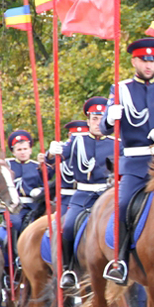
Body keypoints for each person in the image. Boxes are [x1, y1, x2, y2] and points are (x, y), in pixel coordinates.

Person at [101, 37, 154, 285]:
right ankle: (120, 261)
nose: (148, 65)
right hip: (135, 165)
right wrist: (110, 118)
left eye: (153, 60)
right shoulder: (120, 89)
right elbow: (103, 128)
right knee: (122, 205)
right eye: (144, 60)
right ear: (134, 60)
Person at [48, 99, 117, 290]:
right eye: (94, 118)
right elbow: (61, 155)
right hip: (83, 194)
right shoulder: (77, 140)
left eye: (101, 118)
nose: (97, 122)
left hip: (108, 195)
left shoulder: (116, 142)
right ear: (88, 121)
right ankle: (70, 270)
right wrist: (51, 152)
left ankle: (121, 264)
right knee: (68, 226)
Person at [5, 129, 50, 236]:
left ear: (30, 150)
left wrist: (39, 191)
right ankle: (14, 250)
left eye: (25, 149)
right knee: (15, 223)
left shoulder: (37, 166)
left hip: (33, 205)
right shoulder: (7, 165)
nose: (23, 152)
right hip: (14, 206)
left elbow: (46, 186)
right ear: (13, 152)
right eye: (19, 149)